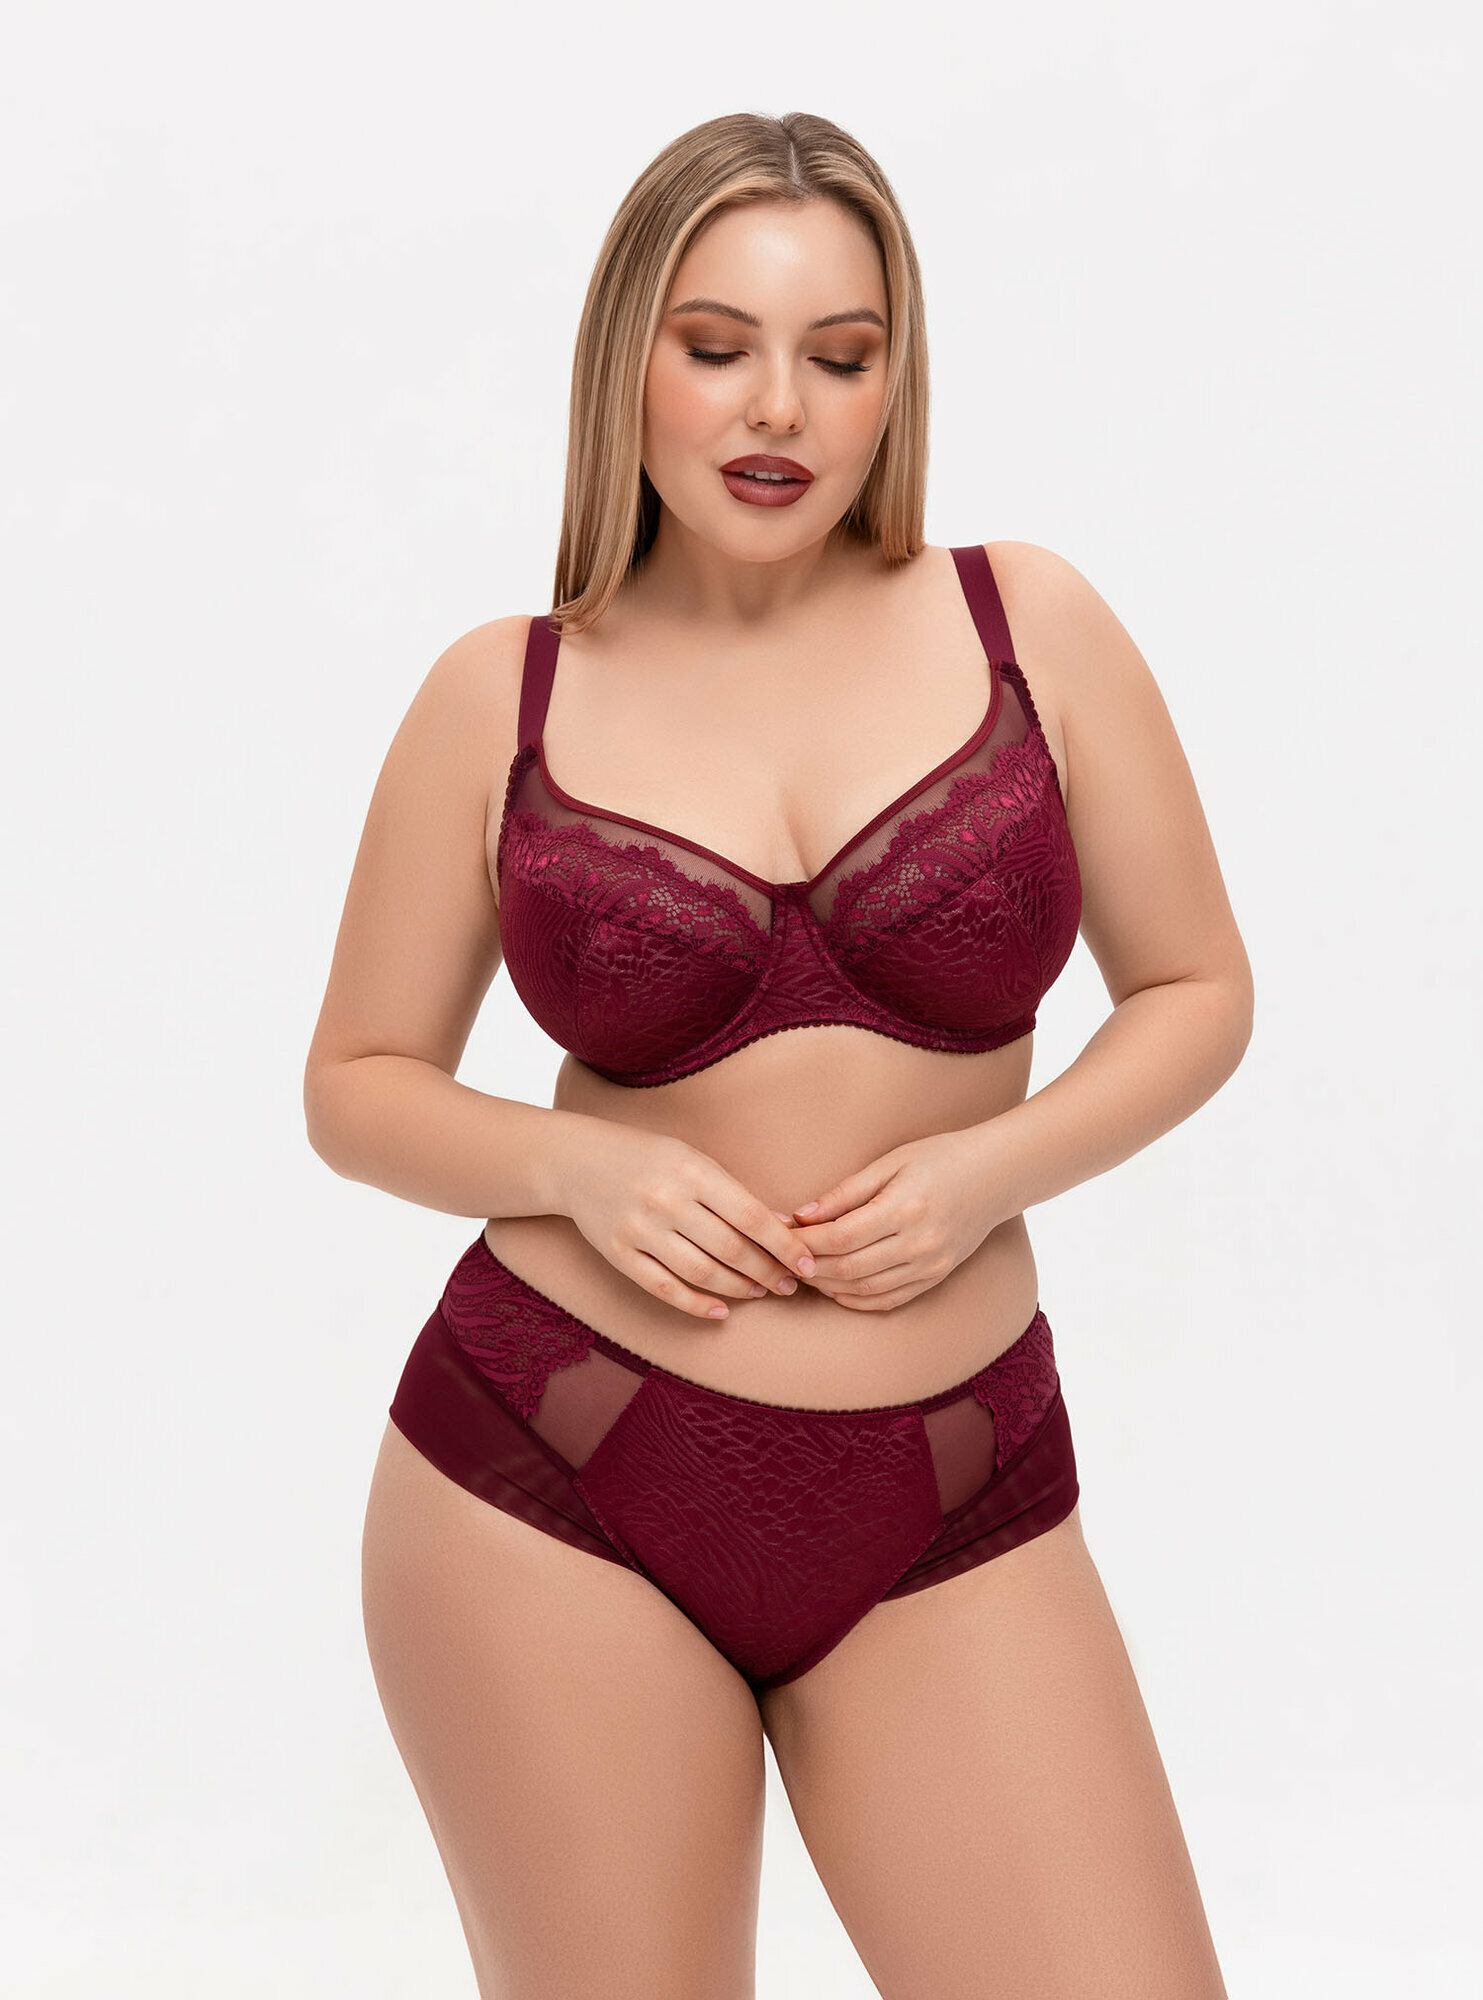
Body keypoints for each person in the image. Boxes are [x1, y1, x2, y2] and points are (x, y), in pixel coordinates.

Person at [305, 110, 1248, 2000]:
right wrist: (580, 1166)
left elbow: (1196, 990)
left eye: (842, 355)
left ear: (898, 379)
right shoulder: (504, 693)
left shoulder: (1027, 625)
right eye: (719, 344)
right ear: (628, 357)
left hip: (954, 1481)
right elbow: (357, 1081)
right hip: (554, 1475)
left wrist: (987, 1173)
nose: (780, 410)